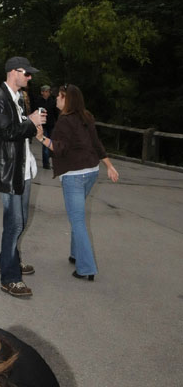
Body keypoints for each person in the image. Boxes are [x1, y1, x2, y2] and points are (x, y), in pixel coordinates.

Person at [37, 84, 119, 281]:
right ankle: (76, 254)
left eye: (59, 96)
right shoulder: (86, 117)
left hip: (74, 175)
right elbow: (96, 143)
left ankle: (86, 268)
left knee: (77, 220)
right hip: (91, 172)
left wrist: (41, 138)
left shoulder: (64, 121)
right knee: (78, 215)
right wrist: (109, 165)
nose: (56, 98)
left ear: (67, 99)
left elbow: (60, 149)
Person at [0, 56, 45, 297]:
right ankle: (9, 277)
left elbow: (17, 131)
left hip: (22, 168)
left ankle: (6, 259)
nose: (29, 77)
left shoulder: (17, 97)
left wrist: (31, 124)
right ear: (12, 72)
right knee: (14, 222)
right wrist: (31, 121)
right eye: (25, 73)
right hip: (8, 171)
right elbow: (8, 132)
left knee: (20, 219)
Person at [39, 84, 57, 169]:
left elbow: (55, 112)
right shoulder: (39, 101)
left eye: (48, 91)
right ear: (42, 92)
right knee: (45, 144)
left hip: (51, 125)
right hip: (43, 125)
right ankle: (46, 163)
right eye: (45, 91)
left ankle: (54, 162)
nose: (47, 93)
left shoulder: (52, 101)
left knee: (52, 144)